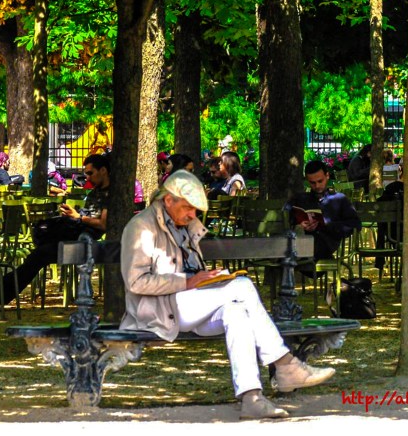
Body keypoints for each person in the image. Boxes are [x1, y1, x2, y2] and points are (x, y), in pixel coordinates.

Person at [120, 170, 336, 420]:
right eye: (189, 209)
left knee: (237, 312)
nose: (193, 216)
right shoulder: (141, 227)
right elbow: (136, 282)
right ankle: (285, 364)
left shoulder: (183, 223)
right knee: (242, 286)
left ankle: (252, 397)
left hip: (189, 302)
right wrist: (187, 281)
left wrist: (209, 278)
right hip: (160, 309)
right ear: (169, 200)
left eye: (195, 212)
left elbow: (188, 267)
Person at [0, 154, 111, 309]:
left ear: (103, 170)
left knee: (38, 256)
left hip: (88, 244)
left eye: (91, 173)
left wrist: (78, 217)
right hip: (75, 237)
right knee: (38, 253)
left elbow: (103, 225)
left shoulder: (110, 194)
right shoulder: (94, 192)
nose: (87, 178)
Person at [287, 161, 361, 260]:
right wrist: (299, 227)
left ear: (327, 176)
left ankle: (291, 255)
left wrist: (327, 224)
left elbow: (355, 224)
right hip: (301, 241)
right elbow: (284, 220)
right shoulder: (300, 199)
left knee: (306, 247)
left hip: (325, 243)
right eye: (312, 183)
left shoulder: (339, 199)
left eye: (320, 181)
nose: (317, 186)